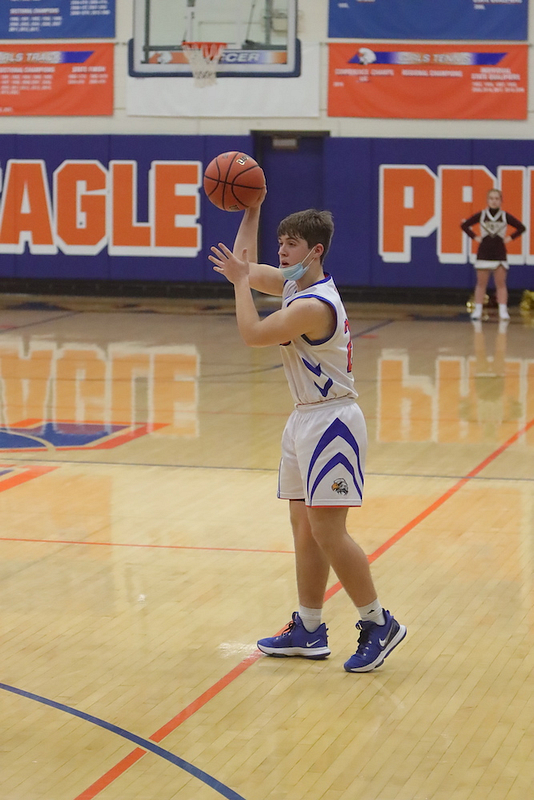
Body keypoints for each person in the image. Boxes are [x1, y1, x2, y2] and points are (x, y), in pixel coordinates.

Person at [209, 197, 406, 673]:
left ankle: (379, 622)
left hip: (332, 423)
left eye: (291, 244)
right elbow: (244, 266)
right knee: (304, 528)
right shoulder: (294, 284)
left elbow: (252, 332)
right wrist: (252, 209)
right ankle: (310, 628)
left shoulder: (314, 305)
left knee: (328, 531)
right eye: (280, 243)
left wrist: (240, 282)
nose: (281, 251)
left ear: (315, 251)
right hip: (304, 418)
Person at [461, 189, 525, 322]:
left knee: (501, 284)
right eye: (491, 198)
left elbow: (521, 227)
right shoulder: (482, 215)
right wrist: (475, 237)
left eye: (497, 199)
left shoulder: (504, 216)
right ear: (487, 200)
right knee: (481, 284)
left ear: (501, 201)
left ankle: (503, 310)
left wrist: (510, 238)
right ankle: (478, 310)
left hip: (499, 252)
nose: (494, 201)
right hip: (484, 252)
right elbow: (465, 225)